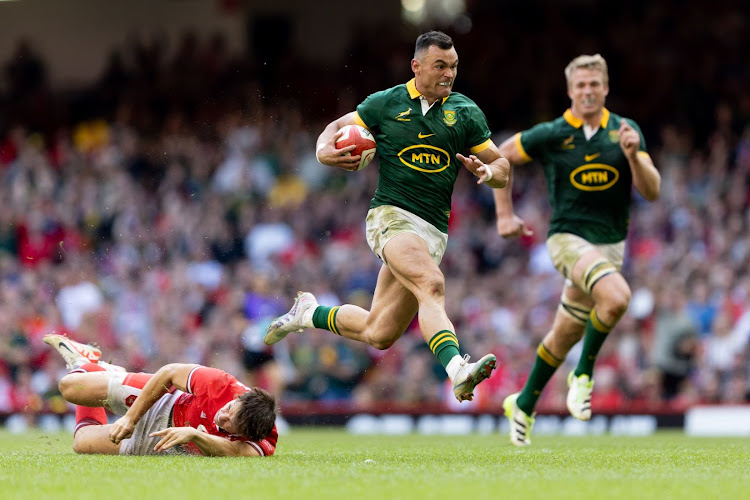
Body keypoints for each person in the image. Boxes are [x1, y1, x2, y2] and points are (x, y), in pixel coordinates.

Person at [264, 31, 510, 402]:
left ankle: (308, 312)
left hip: (433, 233)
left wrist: (489, 173)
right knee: (432, 285)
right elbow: (334, 128)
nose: (449, 74)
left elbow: (504, 166)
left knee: (379, 332)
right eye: (440, 66)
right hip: (391, 217)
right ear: (417, 66)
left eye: (454, 66)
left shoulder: (465, 113)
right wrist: (322, 153)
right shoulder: (386, 103)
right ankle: (457, 369)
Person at [495, 54, 661, 445]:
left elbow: (652, 191)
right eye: (581, 85)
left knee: (565, 333)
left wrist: (635, 154)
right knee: (618, 298)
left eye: (594, 85)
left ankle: (523, 403)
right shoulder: (553, 133)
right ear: (570, 90)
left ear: (605, 88)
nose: (588, 91)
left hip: (610, 247)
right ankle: (583, 374)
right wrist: (505, 215)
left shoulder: (625, 131)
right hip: (566, 240)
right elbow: (499, 154)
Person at [43, 333, 278, 456]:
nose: (222, 419)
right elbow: (169, 372)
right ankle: (92, 363)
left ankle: (88, 363)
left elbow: (235, 452)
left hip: (170, 442)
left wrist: (193, 435)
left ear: (248, 435)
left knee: (81, 442)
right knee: (70, 387)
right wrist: (130, 419)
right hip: (168, 400)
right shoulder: (220, 384)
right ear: (236, 399)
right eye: (228, 410)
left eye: (230, 424)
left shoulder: (263, 439)